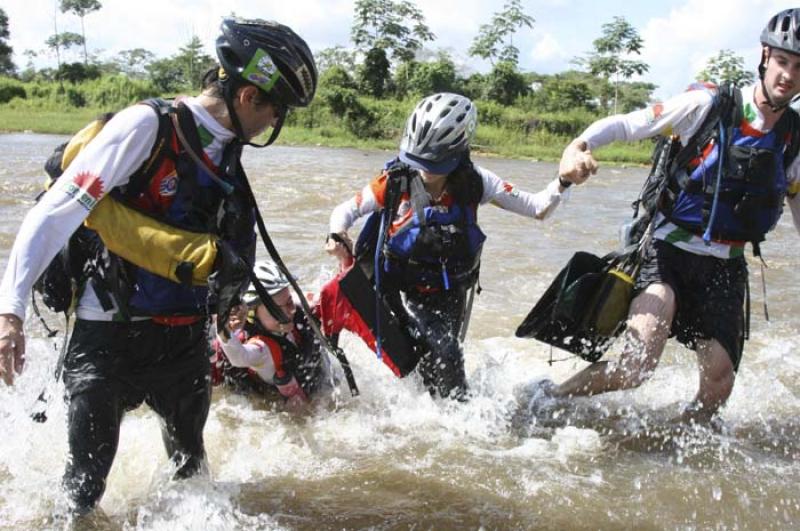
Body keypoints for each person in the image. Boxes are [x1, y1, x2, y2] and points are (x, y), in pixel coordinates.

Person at [0, 18, 316, 513]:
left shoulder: (227, 153)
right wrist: (10, 312)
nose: (274, 123)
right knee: (83, 490)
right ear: (251, 96)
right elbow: (56, 211)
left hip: (184, 340)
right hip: (108, 336)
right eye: (277, 110)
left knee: (192, 479)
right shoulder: (146, 127)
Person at [543, 8, 800, 424]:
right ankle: (554, 397)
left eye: (799, 68)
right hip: (669, 254)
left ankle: (676, 442)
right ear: (766, 57)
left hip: (726, 268)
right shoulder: (707, 105)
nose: (788, 75)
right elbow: (629, 125)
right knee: (636, 365)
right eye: (783, 61)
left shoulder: (793, 138)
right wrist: (578, 145)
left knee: (719, 383)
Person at [324, 92, 575, 401]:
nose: (425, 170)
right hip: (397, 289)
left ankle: (457, 417)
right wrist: (337, 235)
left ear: (458, 153)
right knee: (435, 355)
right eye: (420, 161)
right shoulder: (393, 181)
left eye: (435, 162)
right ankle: (454, 416)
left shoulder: (477, 182)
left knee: (446, 357)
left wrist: (563, 181)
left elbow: (537, 207)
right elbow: (346, 210)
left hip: (449, 293)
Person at [211, 260, 332, 405]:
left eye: (289, 302)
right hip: (269, 395)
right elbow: (239, 358)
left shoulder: (295, 311)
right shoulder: (261, 349)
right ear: (251, 312)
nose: (291, 310)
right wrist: (224, 330)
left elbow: (327, 297)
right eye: (277, 309)